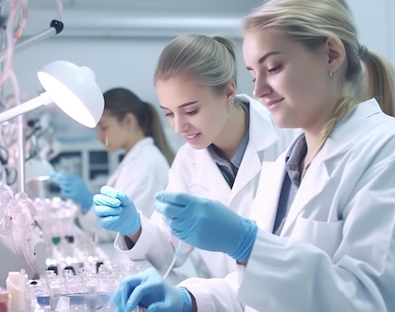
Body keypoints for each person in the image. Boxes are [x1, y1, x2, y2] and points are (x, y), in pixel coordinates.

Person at [110, 0, 395, 312]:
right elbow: (255, 289)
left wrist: (247, 244)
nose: (260, 90)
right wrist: (189, 299)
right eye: (253, 73)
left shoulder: (390, 150)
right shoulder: (288, 162)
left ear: (331, 55)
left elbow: (370, 301)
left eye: (274, 68)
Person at [92, 34, 297, 280]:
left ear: (228, 92)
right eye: (169, 113)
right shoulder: (187, 162)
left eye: (191, 110)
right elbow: (169, 249)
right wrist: (133, 226)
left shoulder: (287, 138)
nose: (178, 127)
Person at [50, 88, 173, 240]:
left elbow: (128, 228)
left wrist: (89, 203)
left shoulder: (147, 163)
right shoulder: (135, 160)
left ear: (128, 121)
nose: (99, 137)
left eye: (104, 127)